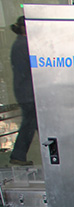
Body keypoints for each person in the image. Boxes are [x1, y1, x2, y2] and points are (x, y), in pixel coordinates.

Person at [9, 16, 37, 166]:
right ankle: (18, 156)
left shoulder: (19, 44)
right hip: (28, 93)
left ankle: (57, 153)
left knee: (37, 124)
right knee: (29, 124)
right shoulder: (24, 45)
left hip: (25, 92)